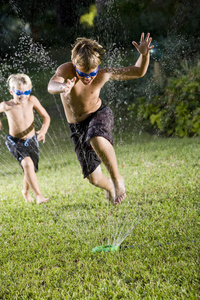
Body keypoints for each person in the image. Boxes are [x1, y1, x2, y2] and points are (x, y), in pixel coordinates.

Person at [48, 33, 154, 205]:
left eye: (92, 73)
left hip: (98, 114)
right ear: (75, 64)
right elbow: (51, 86)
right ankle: (110, 186)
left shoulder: (103, 74)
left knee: (96, 137)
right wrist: (62, 86)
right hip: (77, 126)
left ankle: (117, 179)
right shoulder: (66, 70)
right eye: (83, 73)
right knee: (94, 178)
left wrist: (144, 54)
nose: (89, 78)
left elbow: (138, 72)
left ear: (98, 66)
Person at [0, 73, 50, 204]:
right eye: (19, 93)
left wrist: (43, 131)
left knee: (30, 167)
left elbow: (46, 117)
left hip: (32, 139)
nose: (24, 96)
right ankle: (39, 195)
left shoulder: (32, 100)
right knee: (27, 163)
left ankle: (25, 191)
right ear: (11, 91)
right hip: (15, 141)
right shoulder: (6, 105)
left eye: (27, 91)